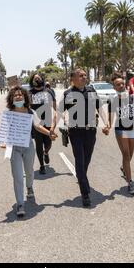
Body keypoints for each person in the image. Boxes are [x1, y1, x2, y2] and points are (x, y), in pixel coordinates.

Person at [58, 69, 109, 207]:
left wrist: (107, 123)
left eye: (85, 75)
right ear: (72, 79)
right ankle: (85, 193)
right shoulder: (68, 94)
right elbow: (60, 111)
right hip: (75, 132)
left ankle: (82, 178)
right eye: (80, 76)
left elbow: (100, 107)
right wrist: (54, 127)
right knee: (79, 161)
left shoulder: (91, 90)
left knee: (86, 161)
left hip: (90, 131)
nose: (84, 77)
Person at [6, 86, 57, 217]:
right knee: (17, 176)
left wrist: (49, 134)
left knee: (29, 172)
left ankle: (29, 187)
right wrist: (3, 143)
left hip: (28, 146)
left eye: (20, 95)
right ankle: (20, 204)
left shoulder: (30, 112)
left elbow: (38, 126)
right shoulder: (8, 113)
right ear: (11, 98)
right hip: (14, 148)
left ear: (25, 97)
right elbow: (4, 132)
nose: (18, 97)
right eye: (15, 95)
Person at [103, 73, 134, 195]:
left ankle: (124, 168)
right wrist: (107, 127)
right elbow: (110, 118)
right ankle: (130, 182)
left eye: (122, 83)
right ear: (114, 88)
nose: (121, 86)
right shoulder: (112, 100)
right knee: (126, 155)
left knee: (129, 155)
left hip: (132, 129)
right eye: (118, 84)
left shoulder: (132, 97)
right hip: (121, 129)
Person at [29, 73, 57, 175]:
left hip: (48, 121)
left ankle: (46, 152)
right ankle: (41, 165)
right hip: (36, 123)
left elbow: (55, 107)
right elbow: (27, 107)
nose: (37, 80)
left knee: (48, 143)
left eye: (38, 78)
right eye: (35, 79)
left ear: (42, 79)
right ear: (32, 81)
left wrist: (57, 118)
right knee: (39, 144)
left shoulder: (48, 91)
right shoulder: (30, 93)